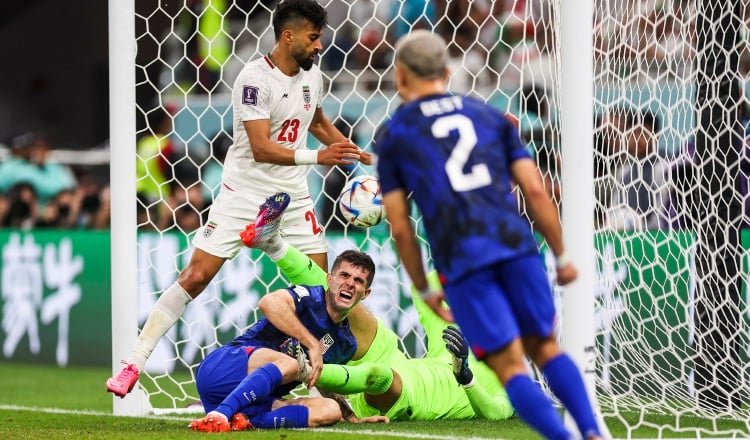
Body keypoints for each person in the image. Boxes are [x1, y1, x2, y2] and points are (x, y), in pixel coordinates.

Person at [106, 0, 371, 397]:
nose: (320, 46)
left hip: (293, 194)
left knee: (321, 287)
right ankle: (135, 362)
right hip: (244, 190)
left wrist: (350, 152)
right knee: (196, 276)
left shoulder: (312, 77)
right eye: (314, 38)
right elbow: (261, 147)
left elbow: (315, 121)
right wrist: (319, 156)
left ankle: (320, 390)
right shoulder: (253, 79)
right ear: (289, 36)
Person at [375, 30, 604, 440]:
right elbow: (536, 191)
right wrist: (562, 256)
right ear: (446, 72)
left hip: (463, 259)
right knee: (546, 348)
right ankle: (592, 431)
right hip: (516, 246)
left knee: (510, 366)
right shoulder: (490, 116)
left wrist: (424, 287)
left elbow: (400, 226)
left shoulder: (396, 135)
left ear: (400, 76)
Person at [240, 214, 515, 421]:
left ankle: (304, 368)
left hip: (408, 394)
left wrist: (465, 376)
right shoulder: (456, 332)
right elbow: (425, 289)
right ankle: (273, 243)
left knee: (380, 374)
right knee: (349, 300)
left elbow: (496, 414)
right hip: (398, 360)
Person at [188, 247, 386, 432]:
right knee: (291, 364)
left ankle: (246, 421)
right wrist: (312, 343)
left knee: (330, 409)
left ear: (366, 293)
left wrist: (352, 418)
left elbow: (322, 379)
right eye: (344, 275)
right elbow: (269, 302)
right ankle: (220, 414)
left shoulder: (346, 344)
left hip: (258, 397)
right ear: (329, 279)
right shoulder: (309, 297)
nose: (350, 284)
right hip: (224, 370)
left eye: (359, 281)